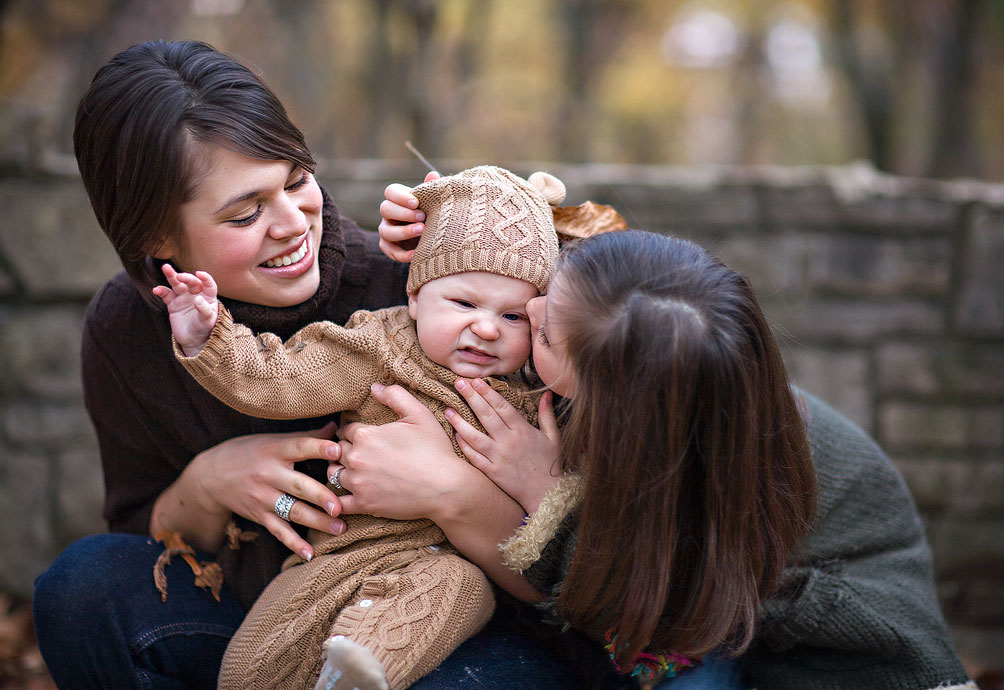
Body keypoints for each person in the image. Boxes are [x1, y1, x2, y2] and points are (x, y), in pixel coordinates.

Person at [31, 40, 590, 690]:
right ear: (155, 238)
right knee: (82, 589)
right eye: (246, 212)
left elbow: (577, 575)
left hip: (449, 626)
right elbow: (144, 536)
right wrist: (207, 484)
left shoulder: (429, 292)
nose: (295, 223)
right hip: (271, 613)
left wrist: (451, 492)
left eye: (298, 181)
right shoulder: (128, 329)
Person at [327, 228, 977, 690]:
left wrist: (529, 494)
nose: (526, 310)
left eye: (546, 331)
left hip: (825, 664)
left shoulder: (700, 468)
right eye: (551, 287)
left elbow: (642, 614)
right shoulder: (653, 355)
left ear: (615, 406)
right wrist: (444, 225)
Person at [156, 165, 567, 690]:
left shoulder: (536, 389)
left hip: (453, 565)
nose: (486, 328)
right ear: (416, 296)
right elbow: (283, 377)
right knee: (248, 667)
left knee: (457, 586)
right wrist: (208, 339)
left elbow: (559, 511)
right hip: (343, 554)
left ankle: (350, 681)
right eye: (463, 303)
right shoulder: (380, 346)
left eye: (513, 318)